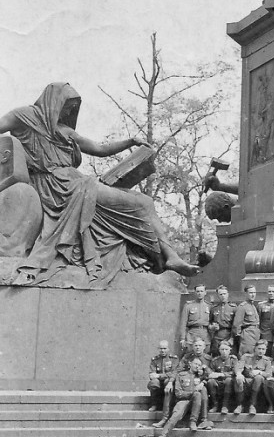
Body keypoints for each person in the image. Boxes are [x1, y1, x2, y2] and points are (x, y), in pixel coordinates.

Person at [0, 83, 198, 287]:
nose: (68, 112)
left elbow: (100, 149)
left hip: (77, 184)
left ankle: (170, 257)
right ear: (55, 100)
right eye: (67, 106)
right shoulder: (23, 116)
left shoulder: (67, 131)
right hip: (59, 188)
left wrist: (130, 142)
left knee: (145, 200)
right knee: (138, 204)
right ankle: (164, 258)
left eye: (72, 108)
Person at [155, 357, 212, 437]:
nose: (197, 366)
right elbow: (178, 393)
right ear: (190, 364)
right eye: (195, 364)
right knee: (175, 415)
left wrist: (203, 381)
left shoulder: (201, 376)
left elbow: (210, 375)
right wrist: (192, 392)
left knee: (197, 395)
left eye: (199, 365)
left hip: (195, 404)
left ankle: (193, 422)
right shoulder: (181, 375)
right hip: (183, 400)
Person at [238, 339, 272, 414]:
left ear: (266, 350)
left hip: (258, 384)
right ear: (255, 349)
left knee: (258, 377)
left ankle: (252, 405)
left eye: (263, 349)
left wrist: (260, 372)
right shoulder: (246, 357)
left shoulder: (267, 360)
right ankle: (240, 405)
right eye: (259, 348)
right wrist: (239, 374)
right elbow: (240, 367)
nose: (261, 351)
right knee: (238, 379)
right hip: (246, 381)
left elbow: (269, 374)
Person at [147, 340, 178, 421]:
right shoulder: (155, 359)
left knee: (167, 381)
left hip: (168, 381)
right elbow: (152, 374)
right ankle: (154, 404)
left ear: (168, 349)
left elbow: (174, 373)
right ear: (158, 349)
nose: (162, 350)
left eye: (164, 348)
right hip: (158, 382)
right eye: (161, 348)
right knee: (153, 382)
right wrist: (157, 376)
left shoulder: (173, 359)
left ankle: (168, 406)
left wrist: (159, 375)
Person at [206, 340, 239, 414]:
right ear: (219, 350)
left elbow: (235, 372)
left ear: (230, 350)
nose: (224, 352)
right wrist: (213, 375)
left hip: (230, 383)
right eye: (222, 349)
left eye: (226, 349)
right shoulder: (215, 360)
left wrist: (222, 374)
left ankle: (225, 406)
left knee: (228, 380)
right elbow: (210, 373)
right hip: (218, 382)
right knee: (210, 382)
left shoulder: (233, 359)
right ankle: (215, 405)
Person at [179, 284, 211, 352]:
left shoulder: (209, 306)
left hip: (205, 333)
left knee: (205, 354)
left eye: (201, 291)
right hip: (192, 333)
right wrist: (182, 338)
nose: (199, 293)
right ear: (195, 293)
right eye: (198, 291)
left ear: (205, 292)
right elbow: (183, 323)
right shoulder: (188, 306)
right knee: (190, 353)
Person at [233, 284, 260, 357]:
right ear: (246, 294)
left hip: (256, 334)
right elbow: (237, 324)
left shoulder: (253, 306)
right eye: (250, 293)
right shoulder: (242, 307)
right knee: (247, 355)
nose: (253, 295)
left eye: (254, 292)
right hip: (247, 335)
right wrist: (240, 337)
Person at [209, 285, 237, 354]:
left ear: (228, 294)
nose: (223, 296)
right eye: (221, 294)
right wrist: (212, 326)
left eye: (224, 294)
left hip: (229, 335)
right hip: (217, 335)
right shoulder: (214, 308)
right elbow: (209, 322)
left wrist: (232, 338)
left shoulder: (233, 308)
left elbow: (236, 324)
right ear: (218, 295)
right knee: (216, 354)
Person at [257, 284, 274, 357]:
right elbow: (258, 320)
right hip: (265, 335)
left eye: (273, 291)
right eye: (269, 291)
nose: (271, 293)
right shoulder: (261, 305)